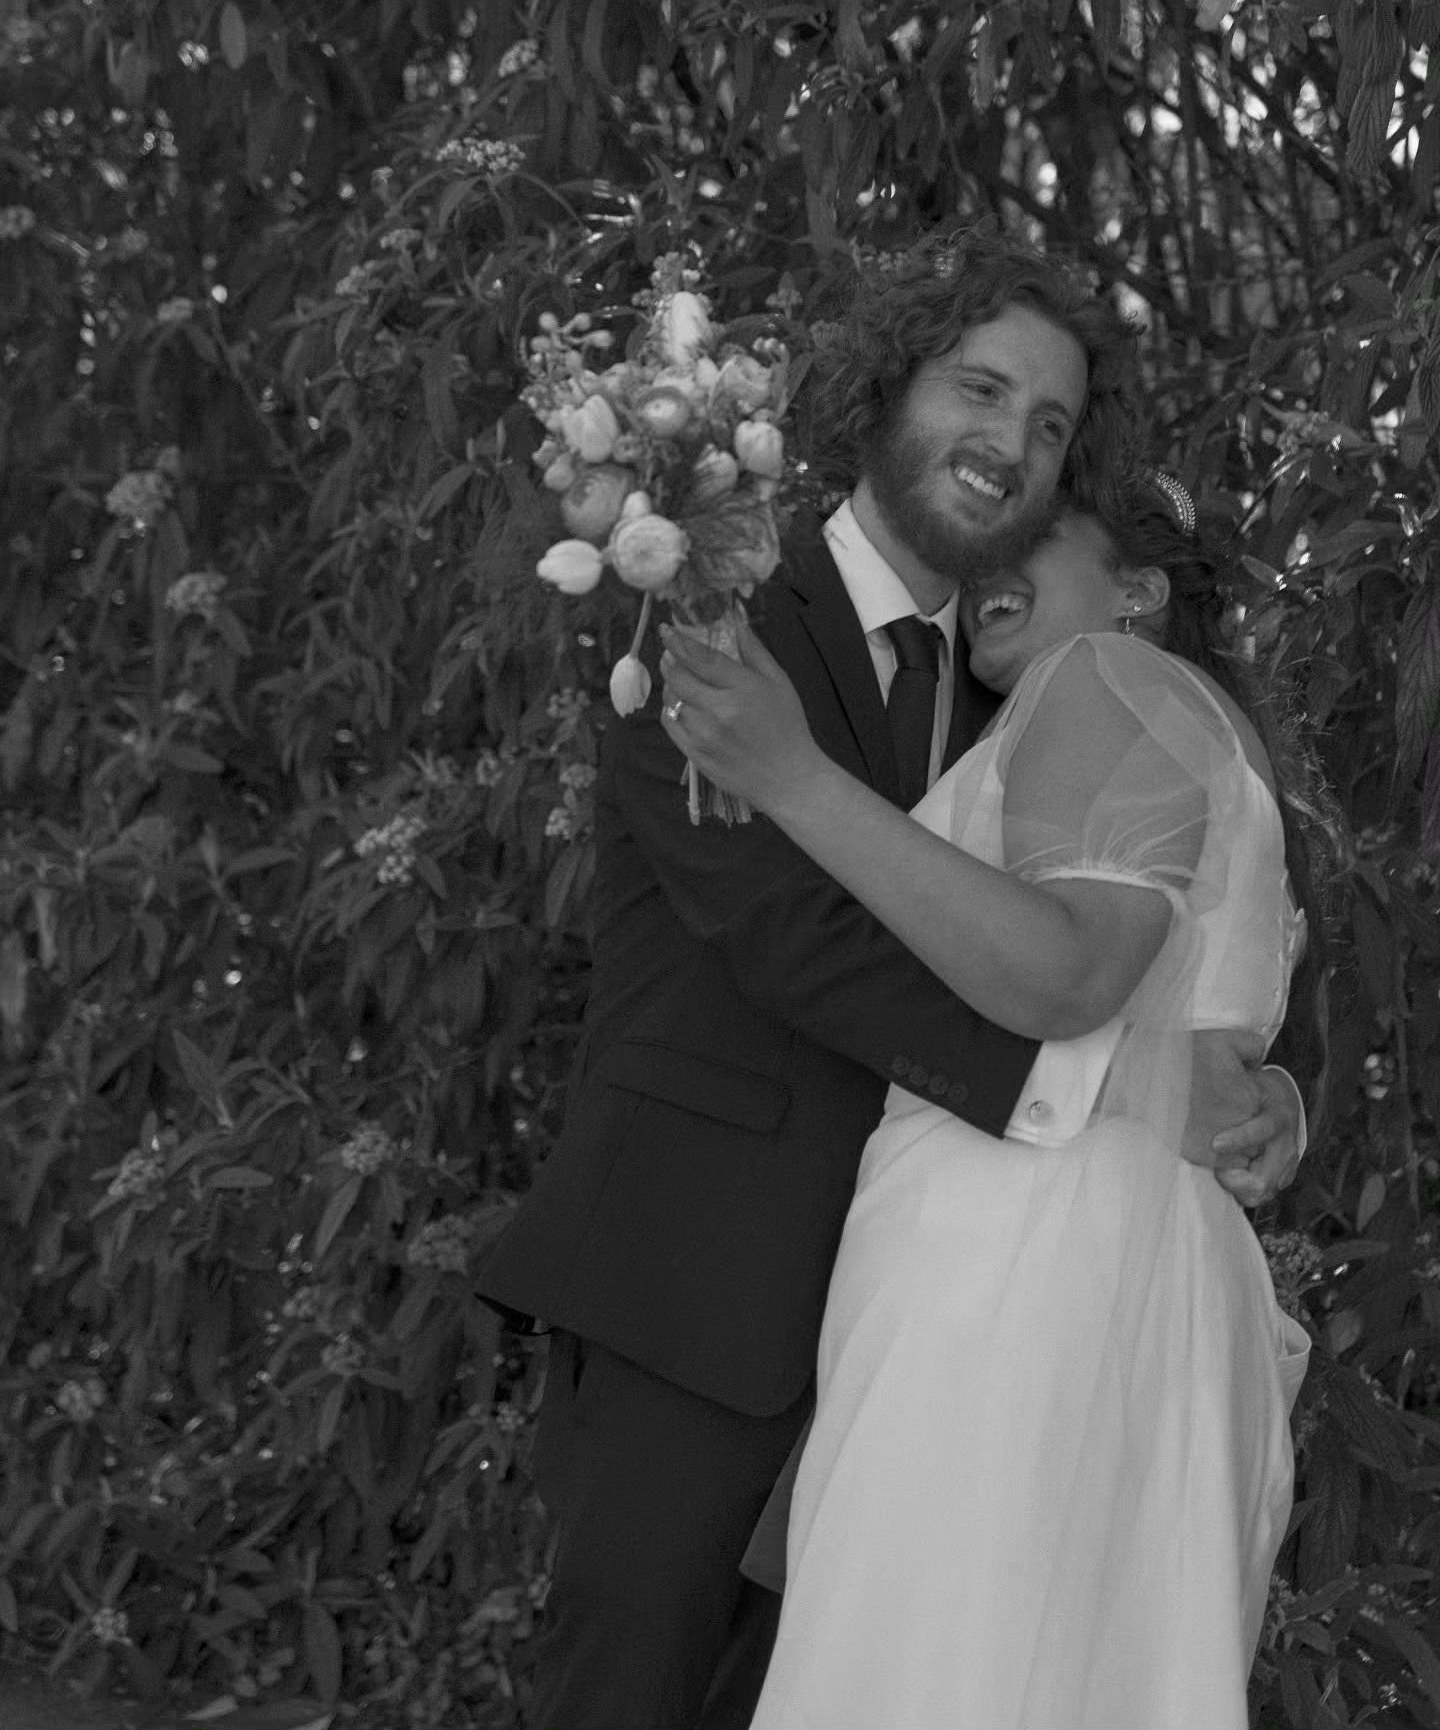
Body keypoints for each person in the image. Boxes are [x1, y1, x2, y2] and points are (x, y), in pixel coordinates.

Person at [474, 226, 1305, 1730]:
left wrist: (1231, 1090)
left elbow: (1094, 929)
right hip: (699, 1298)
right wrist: (1119, 1085)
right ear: (887, 386)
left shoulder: (1031, 690)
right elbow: (796, 939)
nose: (1011, 445)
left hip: (936, 1326)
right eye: (981, 391)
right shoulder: (711, 600)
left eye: (1049, 428)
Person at [657, 488, 1317, 1729]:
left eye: (1039, 533)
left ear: (1140, 590)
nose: (988, 563)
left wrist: (792, 776)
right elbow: (1203, 1026)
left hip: (1025, 1256)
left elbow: (1070, 972)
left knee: (942, 1666)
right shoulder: (1190, 734)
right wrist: (1271, 1101)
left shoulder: (1106, 679)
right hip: (1134, 1261)